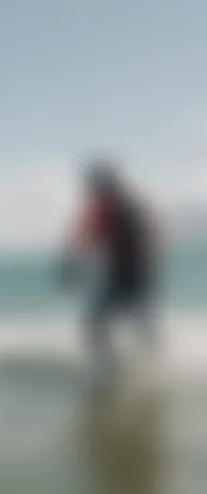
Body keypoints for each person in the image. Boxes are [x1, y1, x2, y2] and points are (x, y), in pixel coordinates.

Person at [60, 160, 160, 378]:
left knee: (95, 323)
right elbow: (151, 237)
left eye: (94, 184)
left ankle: (116, 370)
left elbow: (84, 236)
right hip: (138, 274)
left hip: (127, 274)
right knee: (139, 321)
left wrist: (70, 264)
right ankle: (147, 366)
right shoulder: (129, 204)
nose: (92, 190)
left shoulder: (111, 207)